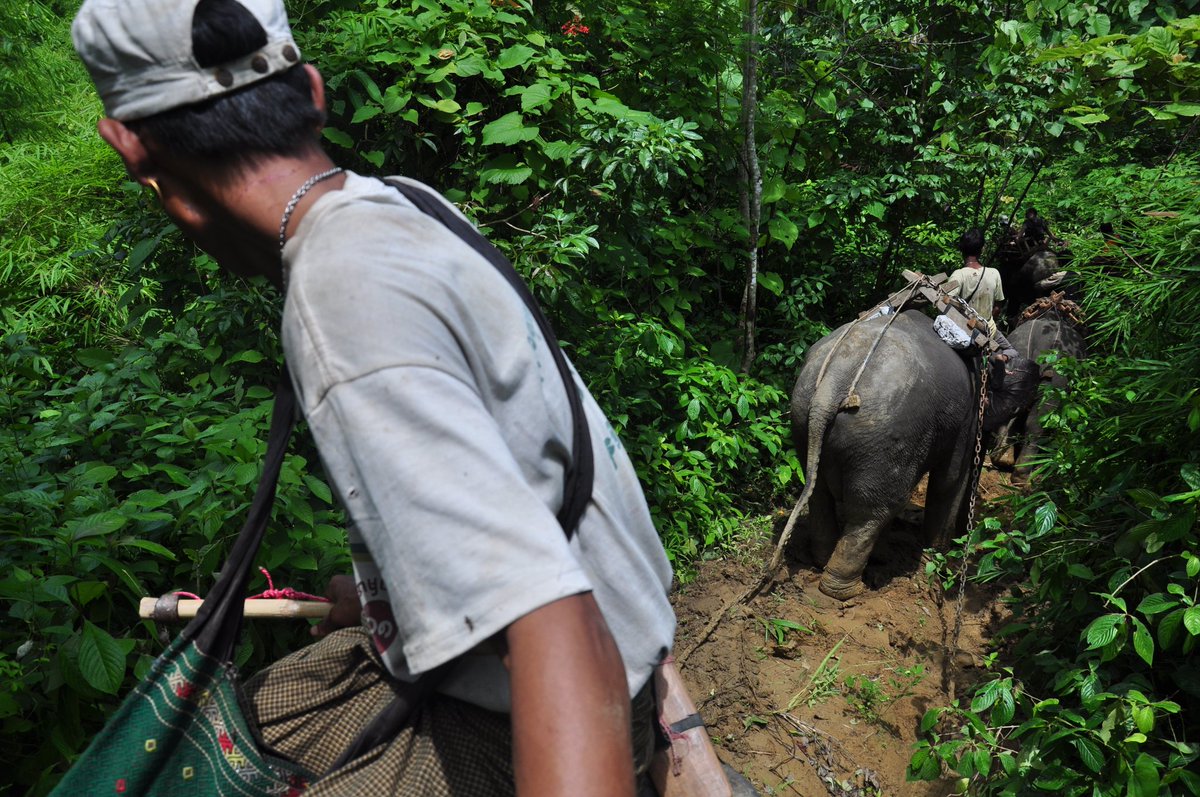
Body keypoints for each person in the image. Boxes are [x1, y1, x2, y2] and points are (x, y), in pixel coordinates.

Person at [71, 0, 676, 794]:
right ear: (314, 91)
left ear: (134, 151)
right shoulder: (408, 204)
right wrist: (392, 592)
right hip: (609, 651)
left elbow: (559, 624)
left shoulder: (342, 294)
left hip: (522, 722)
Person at [946, 227, 1006, 330]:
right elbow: (997, 308)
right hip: (987, 329)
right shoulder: (994, 273)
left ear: (961, 249)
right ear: (982, 250)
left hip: (963, 328)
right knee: (1008, 347)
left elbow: (945, 303)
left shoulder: (958, 275)